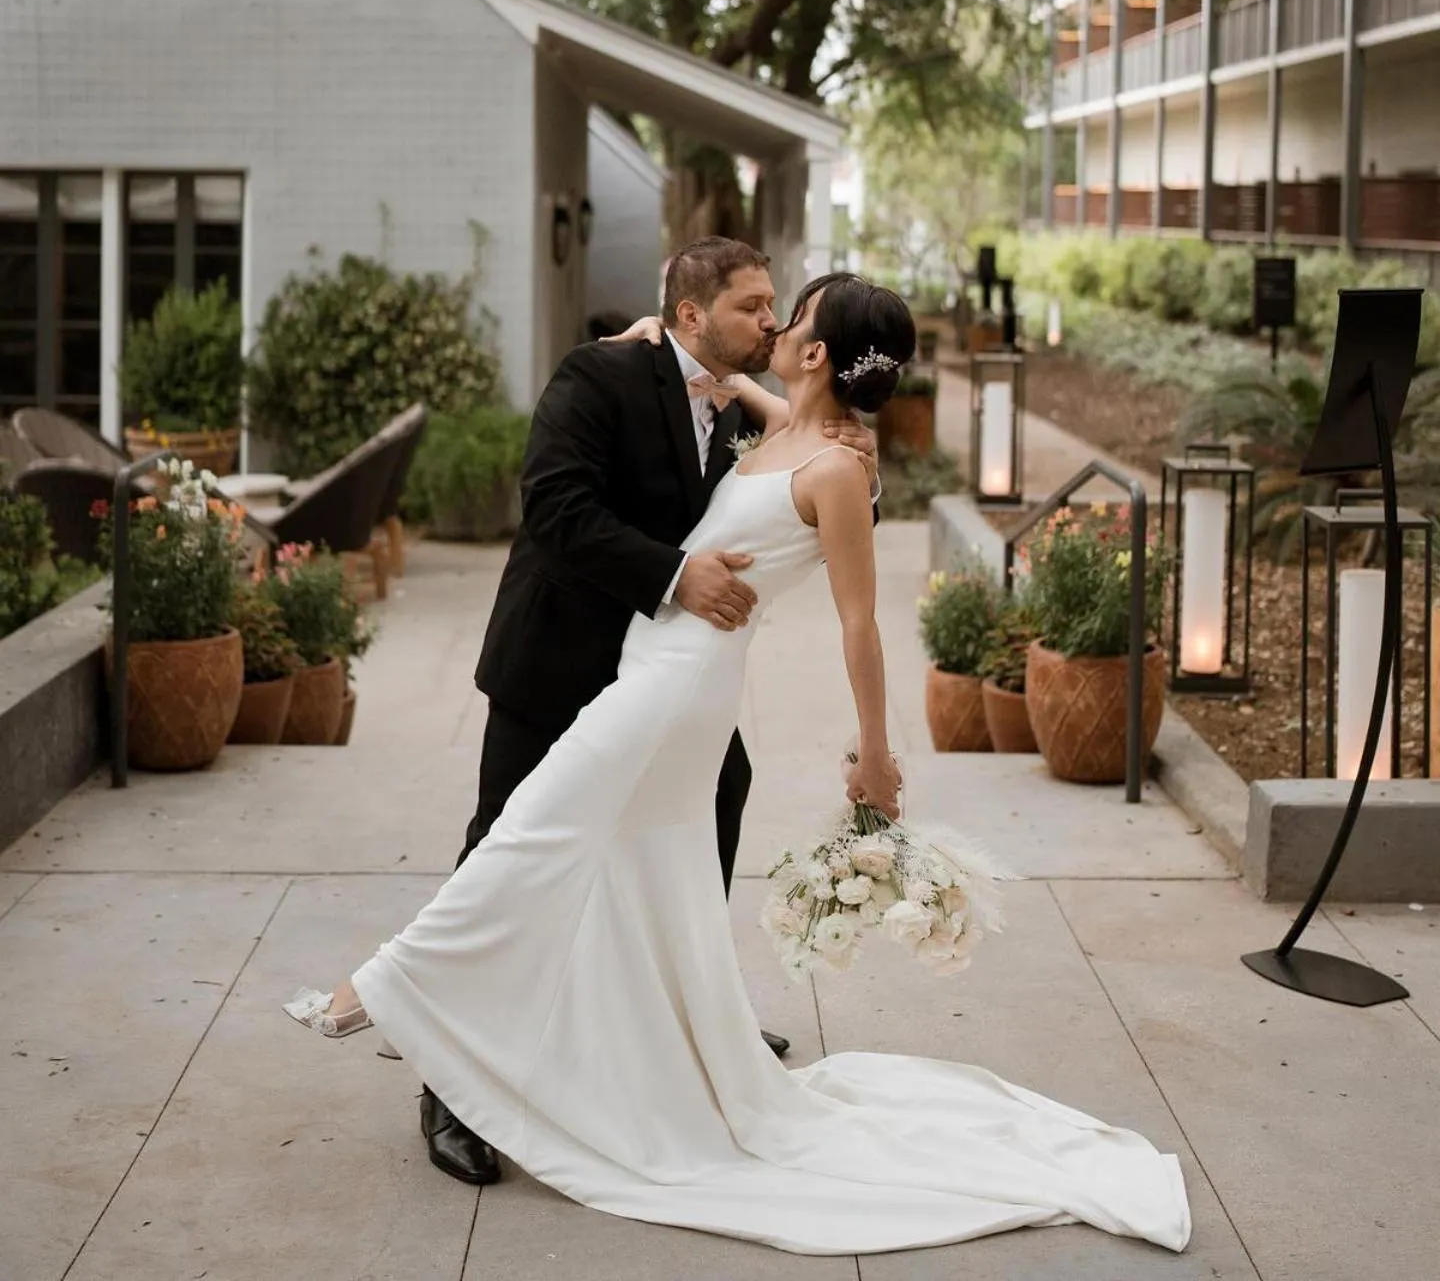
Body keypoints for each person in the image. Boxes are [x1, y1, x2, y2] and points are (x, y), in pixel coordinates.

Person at [285, 271, 1191, 1257]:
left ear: (815, 353)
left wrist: (876, 758)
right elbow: (738, 400)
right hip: (650, 666)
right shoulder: (787, 427)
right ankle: (638, 1044)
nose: (772, 329)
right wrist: (661, 346)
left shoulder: (839, 468)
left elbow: (860, 629)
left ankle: (372, 994)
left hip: (675, 690)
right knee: (623, 870)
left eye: (788, 318)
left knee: (532, 835)